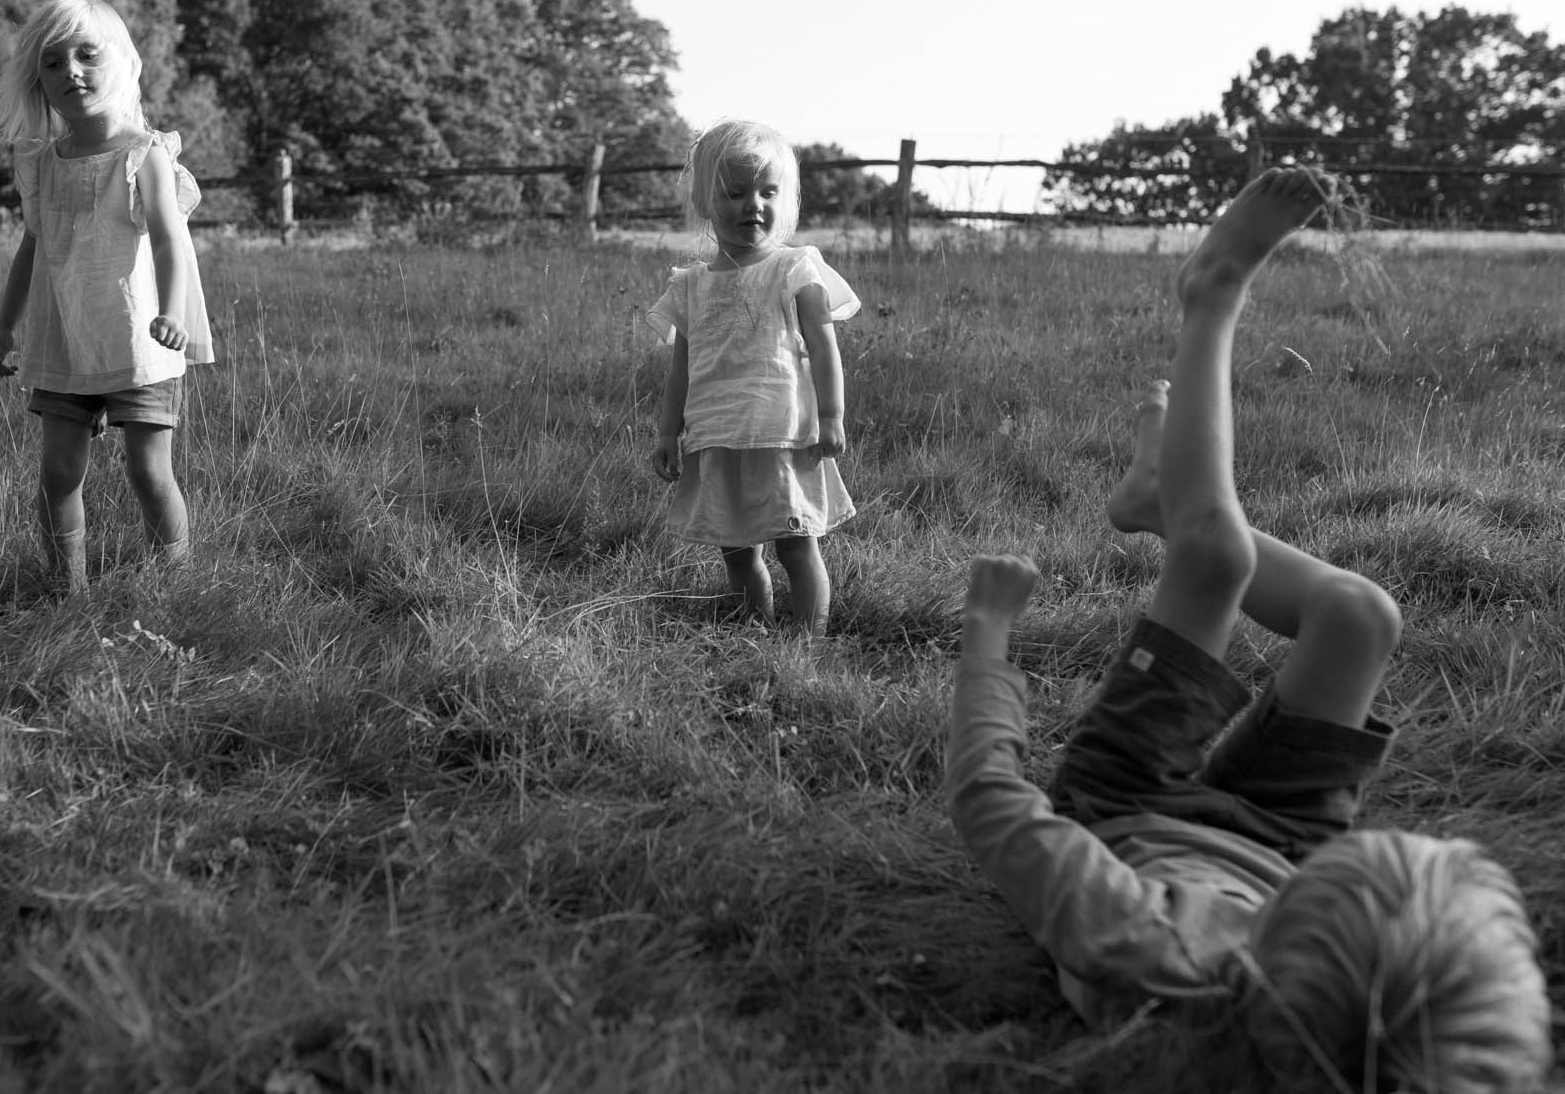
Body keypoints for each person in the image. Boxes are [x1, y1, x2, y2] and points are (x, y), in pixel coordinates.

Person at [949, 167, 1551, 1091]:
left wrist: (987, 638)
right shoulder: (1442, 1056)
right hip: (1280, 842)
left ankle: (1211, 293)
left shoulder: (1146, 947)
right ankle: (1159, 495)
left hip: (1130, 810)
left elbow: (992, 801)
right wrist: (1297, 874)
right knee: (1359, 616)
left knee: (1215, 562)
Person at [0, 0, 213, 595]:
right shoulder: (42, 162)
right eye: (53, 63)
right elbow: (33, 247)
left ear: (122, 63)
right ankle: (67, 592)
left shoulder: (143, 155)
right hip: (64, 337)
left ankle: (177, 584)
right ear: (38, 80)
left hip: (140, 339)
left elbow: (168, 239)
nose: (70, 72)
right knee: (59, 472)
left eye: (86, 55)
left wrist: (171, 312)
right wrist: (6, 328)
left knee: (147, 470)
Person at [645, 119, 859, 636]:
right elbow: (681, 368)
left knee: (796, 544)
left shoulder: (794, 268)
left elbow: (823, 345)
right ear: (704, 202)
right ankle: (752, 633)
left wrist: (831, 416)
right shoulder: (691, 286)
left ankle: (807, 645)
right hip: (717, 435)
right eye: (735, 193)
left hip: (781, 435)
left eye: (767, 192)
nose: (752, 205)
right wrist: (667, 432)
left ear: (785, 199)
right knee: (737, 553)